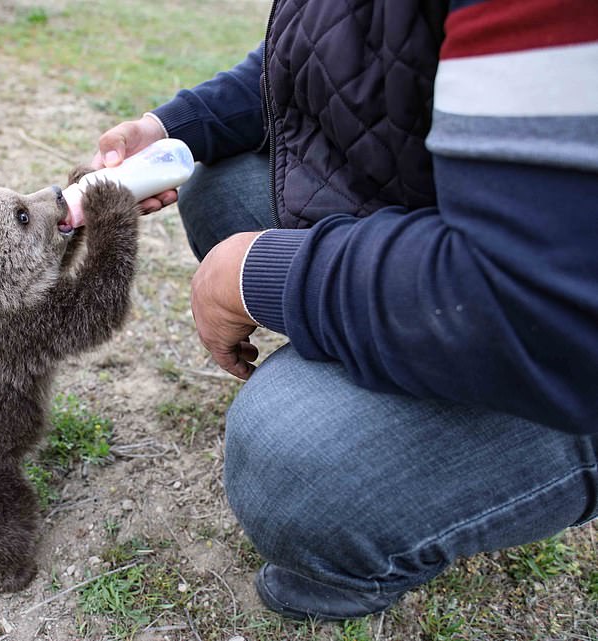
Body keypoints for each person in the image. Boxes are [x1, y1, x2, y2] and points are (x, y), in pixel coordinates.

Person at [88, 0, 598, 621]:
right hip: (462, 241)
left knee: (297, 460)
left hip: (568, 329)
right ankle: (363, 356)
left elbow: (539, 293)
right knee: (216, 173)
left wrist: (264, 274)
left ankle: (348, 555)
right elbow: (328, 54)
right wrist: (171, 124)